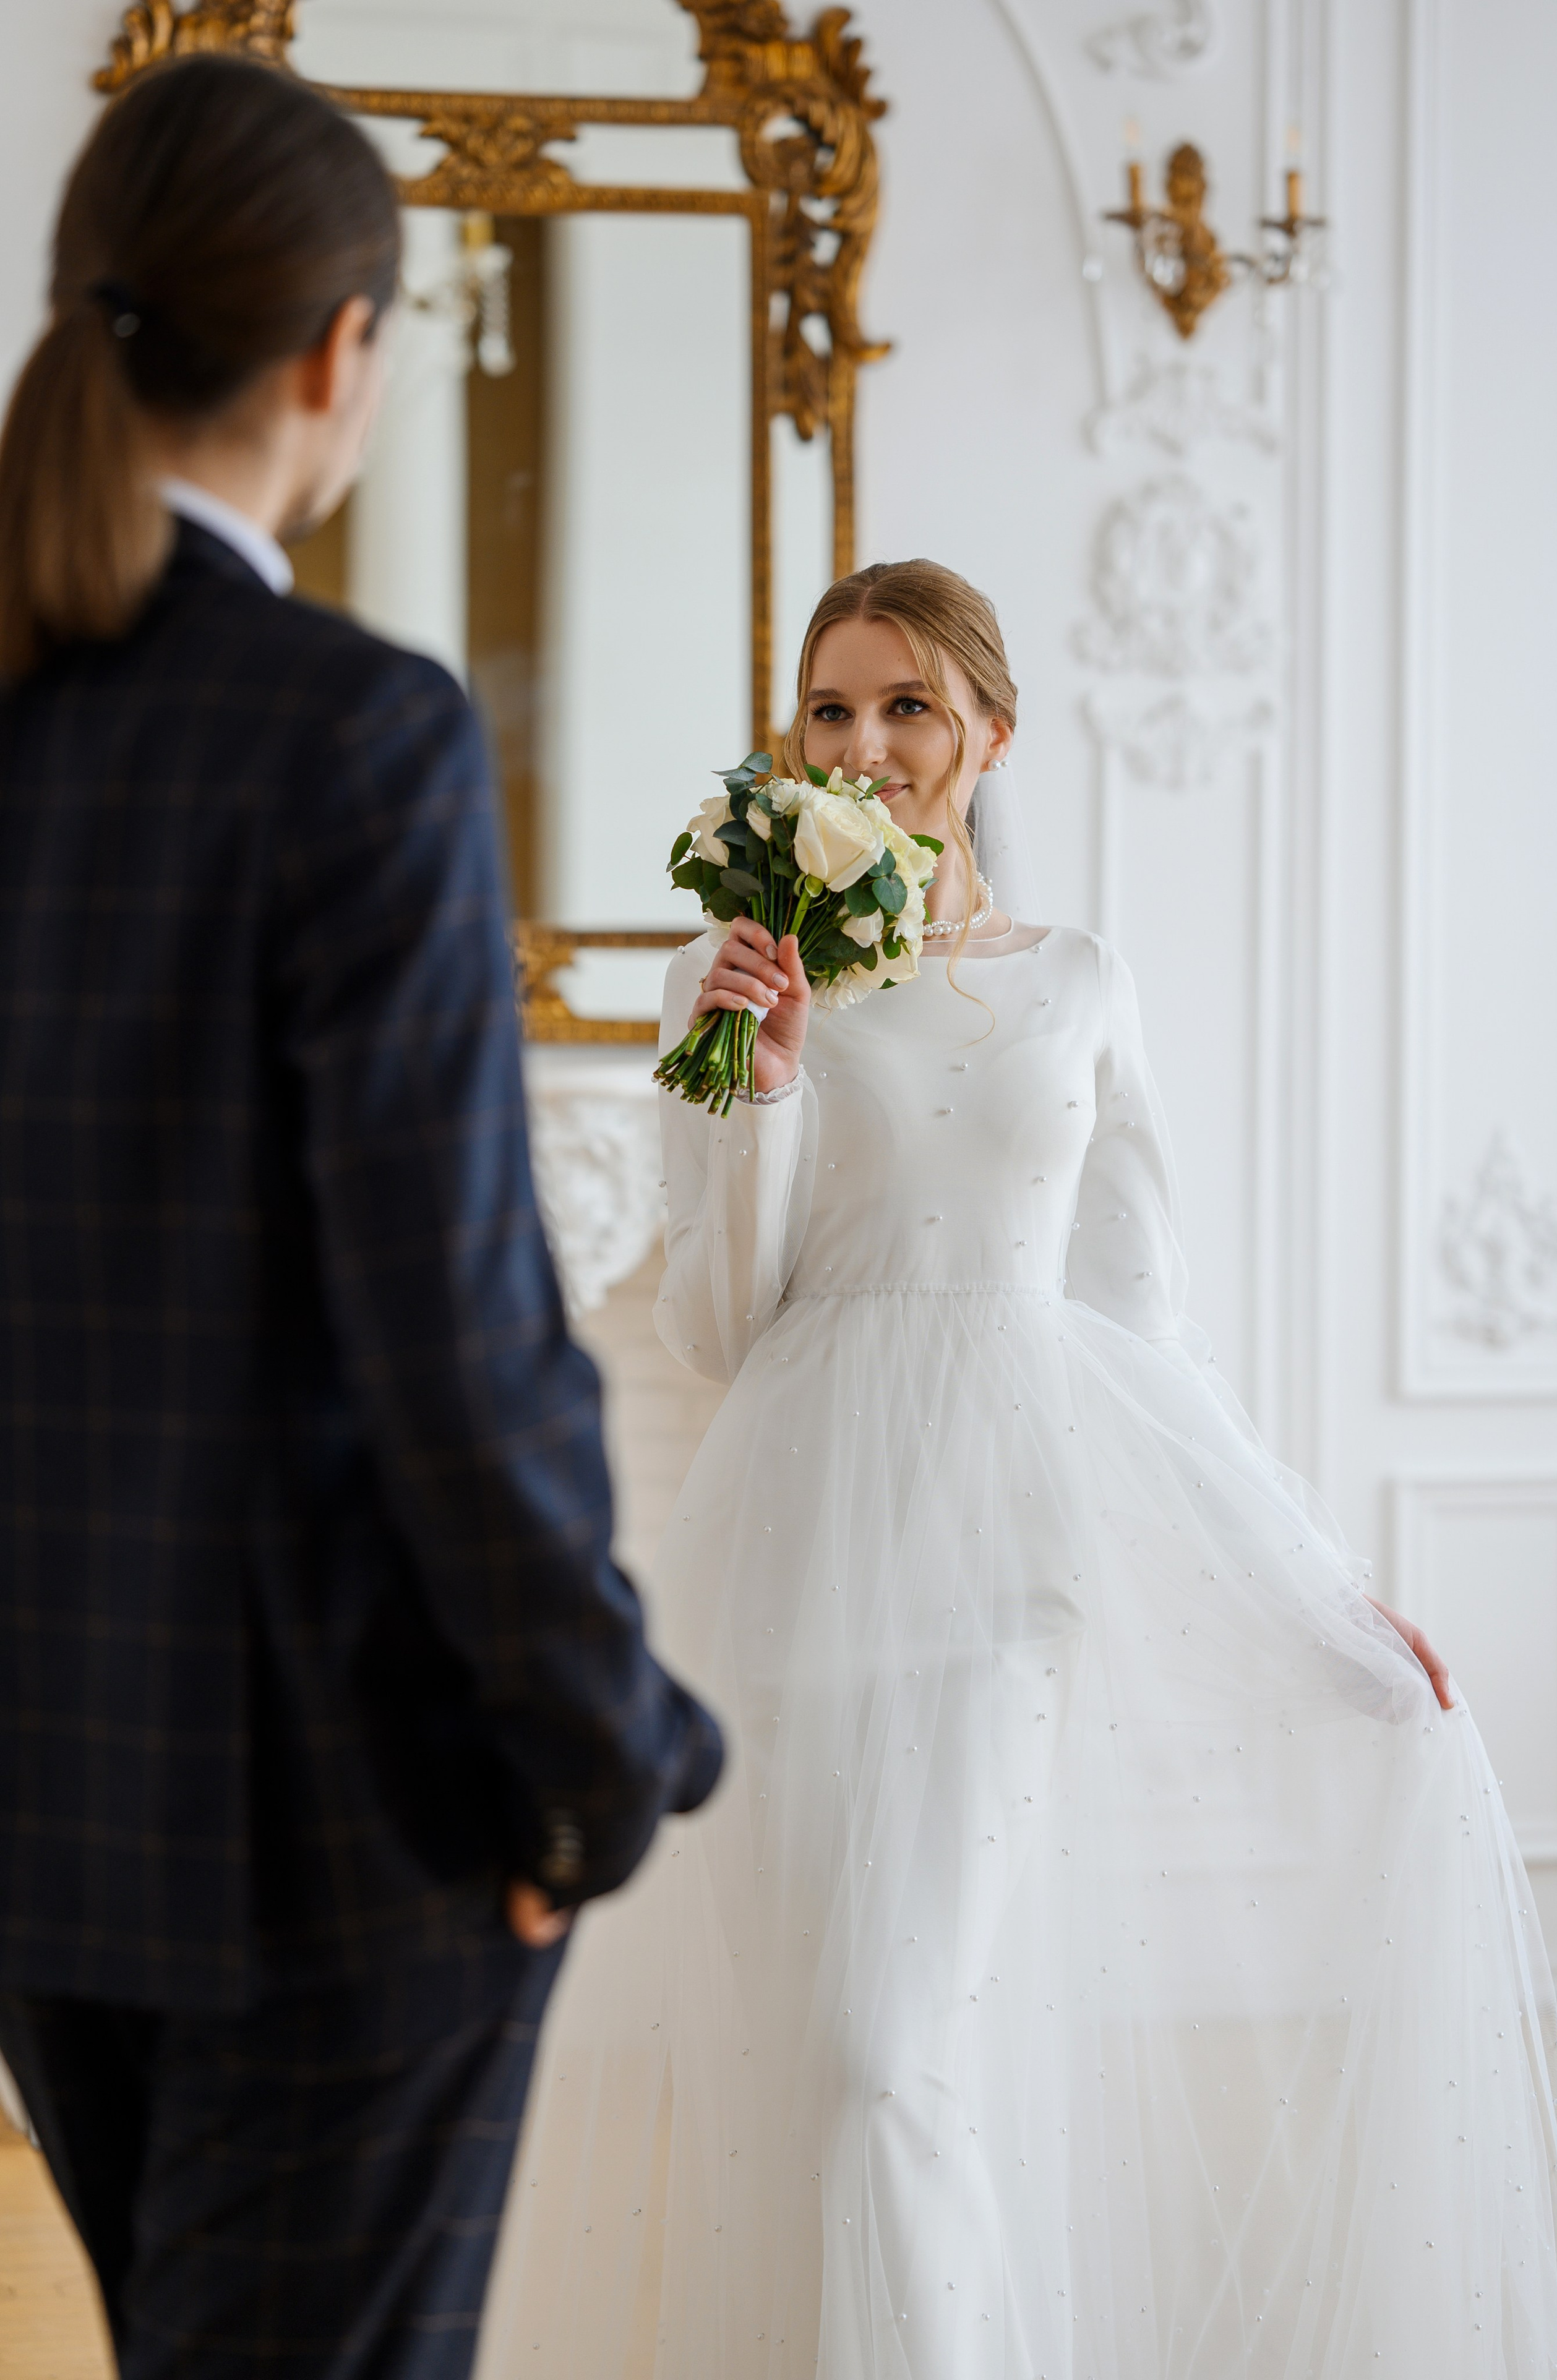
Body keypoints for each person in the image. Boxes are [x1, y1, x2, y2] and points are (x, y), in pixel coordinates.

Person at [481, 559, 1557, 2378]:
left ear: (991, 735)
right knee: (808, 2066)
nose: (870, 743)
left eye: (910, 706)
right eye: (834, 709)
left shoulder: (1078, 985)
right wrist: (760, 1081)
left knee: (884, 2051)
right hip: (791, 1534)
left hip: (1006, 1554)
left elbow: (1148, 1325)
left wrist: (1319, 1593)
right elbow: (717, 1323)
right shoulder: (725, 968)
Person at [0, 54, 721, 2380]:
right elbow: (460, 1345)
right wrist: (600, 1763)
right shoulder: (353, 731)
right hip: (342, 1835)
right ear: (342, 354)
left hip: (54, 1805)